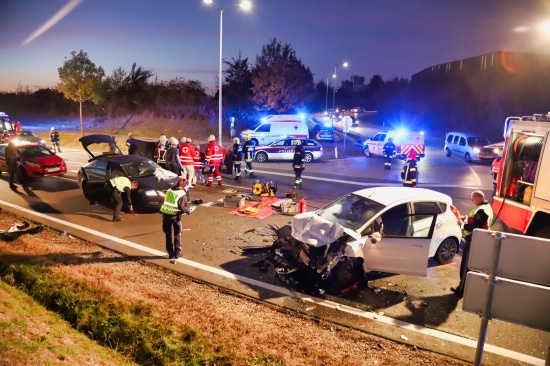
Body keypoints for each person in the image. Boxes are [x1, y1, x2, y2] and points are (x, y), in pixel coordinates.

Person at [451, 190, 494, 296]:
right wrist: (465, 218)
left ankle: (462, 289)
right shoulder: (486, 207)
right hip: (480, 239)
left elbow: (476, 226)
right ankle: (470, 286)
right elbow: (475, 219)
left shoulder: (482, 211)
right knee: (473, 265)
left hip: (474, 240)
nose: (472, 200)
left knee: (466, 265)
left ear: (479, 198)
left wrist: (462, 225)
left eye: (473, 199)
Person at [160, 178, 192, 264]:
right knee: (177, 234)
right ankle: (177, 253)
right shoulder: (182, 193)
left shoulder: (169, 190)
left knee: (168, 234)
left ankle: (170, 253)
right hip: (175, 216)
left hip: (165, 214)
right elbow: (182, 207)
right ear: (185, 185)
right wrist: (188, 210)